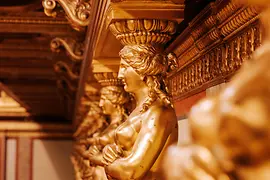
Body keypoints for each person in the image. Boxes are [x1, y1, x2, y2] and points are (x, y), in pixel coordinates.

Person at [102, 44, 178, 180]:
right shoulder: (140, 111)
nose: (119, 75)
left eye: (124, 67)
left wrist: (108, 164)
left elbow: (130, 172)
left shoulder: (159, 112)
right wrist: (111, 150)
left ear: (142, 70)